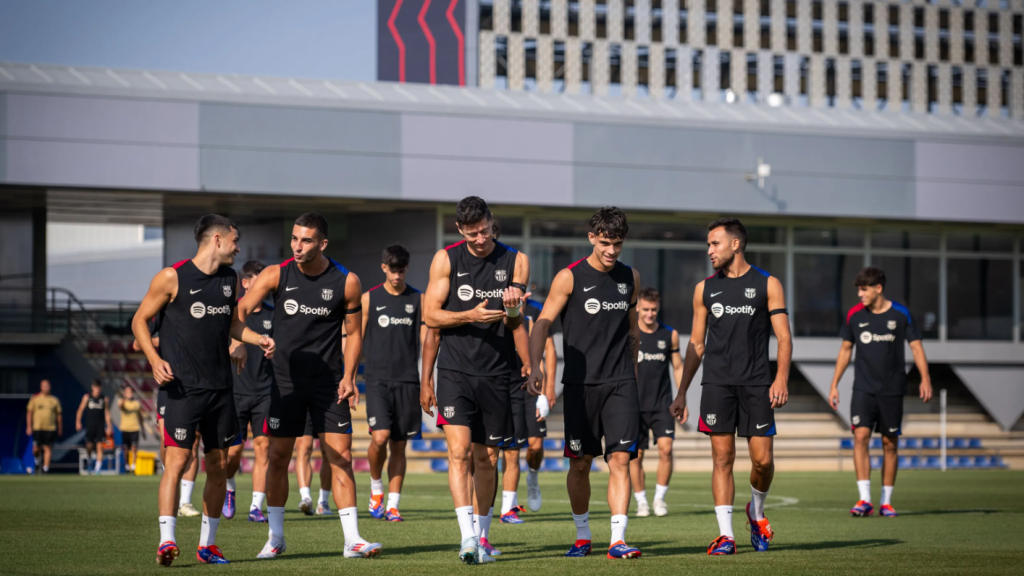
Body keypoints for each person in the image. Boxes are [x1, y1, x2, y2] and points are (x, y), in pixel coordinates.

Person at [132, 214, 274, 567]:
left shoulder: (229, 280)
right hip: (182, 389)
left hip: (221, 389)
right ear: (217, 240)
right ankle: (167, 541)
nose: (239, 247)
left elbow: (234, 325)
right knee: (177, 462)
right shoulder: (171, 276)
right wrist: (152, 358)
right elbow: (138, 320)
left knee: (219, 464)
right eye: (235, 240)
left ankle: (207, 545)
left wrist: (257, 340)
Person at [237, 212, 380, 560]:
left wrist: (349, 377)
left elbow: (355, 334)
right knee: (278, 457)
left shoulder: (347, 281)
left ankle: (353, 540)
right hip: (284, 384)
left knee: (341, 458)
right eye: (294, 239)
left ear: (322, 244)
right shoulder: (276, 274)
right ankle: (275, 538)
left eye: (306, 241)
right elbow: (239, 310)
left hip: (329, 385)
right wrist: (248, 340)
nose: (297, 247)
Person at [668, 217, 793, 556]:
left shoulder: (768, 284)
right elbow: (696, 344)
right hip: (717, 384)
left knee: (762, 462)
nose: (709, 250)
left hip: (757, 383)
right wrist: (681, 392)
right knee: (722, 457)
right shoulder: (704, 289)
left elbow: (783, 336)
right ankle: (726, 536)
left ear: (735, 244)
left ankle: (756, 510)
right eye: (709, 245)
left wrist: (781, 377)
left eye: (715, 244)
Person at [420, 196, 532, 564]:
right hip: (454, 371)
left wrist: (514, 307)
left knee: (488, 459)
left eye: (484, 231)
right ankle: (467, 537)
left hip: (498, 372)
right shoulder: (445, 259)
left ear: (491, 221)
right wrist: (426, 380)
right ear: (459, 230)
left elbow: (515, 322)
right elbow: (431, 318)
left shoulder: (517, 260)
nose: (480, 239)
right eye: (472, 235)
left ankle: (482, 536)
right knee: (459, 452)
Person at [526, 206, 642, 560]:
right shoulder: (569, 277)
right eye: (605, 242)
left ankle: (617, 540)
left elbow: (634, 331)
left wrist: (633, 376)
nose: (611, 251)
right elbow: (543, 323)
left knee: (620, 460)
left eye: (617, 244)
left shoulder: (630, 277)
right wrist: (535, 367)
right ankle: (582, 535)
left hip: (621, 383)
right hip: (579, 385)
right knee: (580, 463)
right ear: (592, 238)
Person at [828, 266, 932, 518]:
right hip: (863, 388)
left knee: (889, 443)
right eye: (858, 290)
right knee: (860, 437)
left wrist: (925, 378)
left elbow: (916, 348)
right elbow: (845, 350)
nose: (860, 295)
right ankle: (864, 499)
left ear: (878, 288)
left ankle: (886, 501)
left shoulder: (901, 314)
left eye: (864, 289)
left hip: (893, 390)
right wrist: (834, 384)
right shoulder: (854, 315)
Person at [363, 244, 425, 523]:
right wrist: (348, 376)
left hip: (408, 381)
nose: (397, 276)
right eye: (392, 271)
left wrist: (427, 381)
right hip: (377, 380)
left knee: (399, 446)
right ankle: (376, 489)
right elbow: (351, 336)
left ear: (406, 269)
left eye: (401, 271)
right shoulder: (369, 299)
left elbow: (425, 341)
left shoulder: (418, 299)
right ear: (383, 268)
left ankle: (393, 505)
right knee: (380, 437)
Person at [223, 260, 275, 523]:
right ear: (245, 283)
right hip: (235, 392)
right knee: (233, 452)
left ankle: (256, 506)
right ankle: (229, 487)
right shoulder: (231, 313)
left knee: (263, 447)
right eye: (259, 279)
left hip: (266, 392)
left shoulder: (274, 314)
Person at [630, 287, 683, 518]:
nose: (650, 314)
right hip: (634, 405)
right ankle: (641, 501)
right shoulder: (630, 334)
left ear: (657, 308)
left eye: (654, 310)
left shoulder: (669, 334)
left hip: (663, 404)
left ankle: (659, 499)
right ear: (638, 308)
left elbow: (678, 367)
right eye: (646, 310)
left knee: (666, 449)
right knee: (637, 456)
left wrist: (682, 398)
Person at [294, 413, 335, 516]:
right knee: (303, 448)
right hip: (304, 402)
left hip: (325, 403)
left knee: (327, 451)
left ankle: (323, 502)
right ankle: (306, 498)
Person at [26, 379, 62, 474]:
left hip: (50, 428)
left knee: (47, 448)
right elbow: (29, 412)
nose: (46, 388)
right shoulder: (35, 398)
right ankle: (37, 462)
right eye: (44, 386)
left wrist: (60, 427)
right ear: (41, 387)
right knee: (36, 448)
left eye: (47, 386)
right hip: (38, 427)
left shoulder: (54, 400)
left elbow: (59, 415)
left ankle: (45, 469)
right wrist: (29, 426)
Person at [77, 380, 112, 474]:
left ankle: (98, 468)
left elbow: (107, 412)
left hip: (100, 426)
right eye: (95, 388)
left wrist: (109, 426)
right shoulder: (87, 397)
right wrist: (78, 422)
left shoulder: (104, 399)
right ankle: (89, 461)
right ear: (92, 388)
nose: (97, 390)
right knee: (89, 445)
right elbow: (80, 410)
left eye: (99, 388)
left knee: (100, 446)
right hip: (90, 425)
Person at [118, 386, 142, 473]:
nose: (130, 394)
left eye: (131, 392)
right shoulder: (122, 401)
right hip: (125, 428)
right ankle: (127, 465)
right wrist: (124, 398)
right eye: (127, 392)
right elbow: (120, 406)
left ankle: (133, 465)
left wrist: (142, 428)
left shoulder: (136, 403)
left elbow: (140, 416)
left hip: (135, 428)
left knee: (134, 447)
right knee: (126, 448)